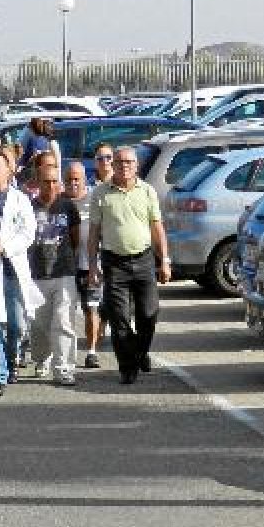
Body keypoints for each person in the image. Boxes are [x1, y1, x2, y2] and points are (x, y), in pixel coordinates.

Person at [86, 147, 171, 385]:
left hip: (143, 259)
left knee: (148, 314)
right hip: (114, 262)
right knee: (119, 318)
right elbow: (93, 233)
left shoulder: (147, 191)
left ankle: (139, 352)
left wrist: (164, 260)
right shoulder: (101, 193)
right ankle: (127, 367)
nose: (125, 166)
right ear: (113, 164)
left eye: (129, 162)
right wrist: (93, 266)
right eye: (120, 161)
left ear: (137, 165)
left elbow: (157, 228)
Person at [0, 150, 43, 393]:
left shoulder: (20, 200)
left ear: (9, 170)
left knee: (17, 324)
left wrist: (4, 247)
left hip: (12, 268)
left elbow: (28, 233)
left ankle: (12, 359)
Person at [27, 166, 81, 386]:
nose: (50, 186)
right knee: (39, 325)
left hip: (64, 272)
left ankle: (64, 368)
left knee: (64, 321)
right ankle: (42, 358)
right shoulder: (29, 207)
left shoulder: (68, 206)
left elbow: (75, 238)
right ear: (37, 183)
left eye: (54, 182)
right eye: (46, 182)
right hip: (37, 273)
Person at [64, 161, 104, 368]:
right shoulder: (59, 201)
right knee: (65, 311)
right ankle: (63, 352)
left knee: (91, 309)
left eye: (76, 179)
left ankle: (91, 352)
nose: (72, 183)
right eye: (69, 179)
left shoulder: (95, 198)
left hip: (90, 266)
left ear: (84, 179)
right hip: (64, 268)